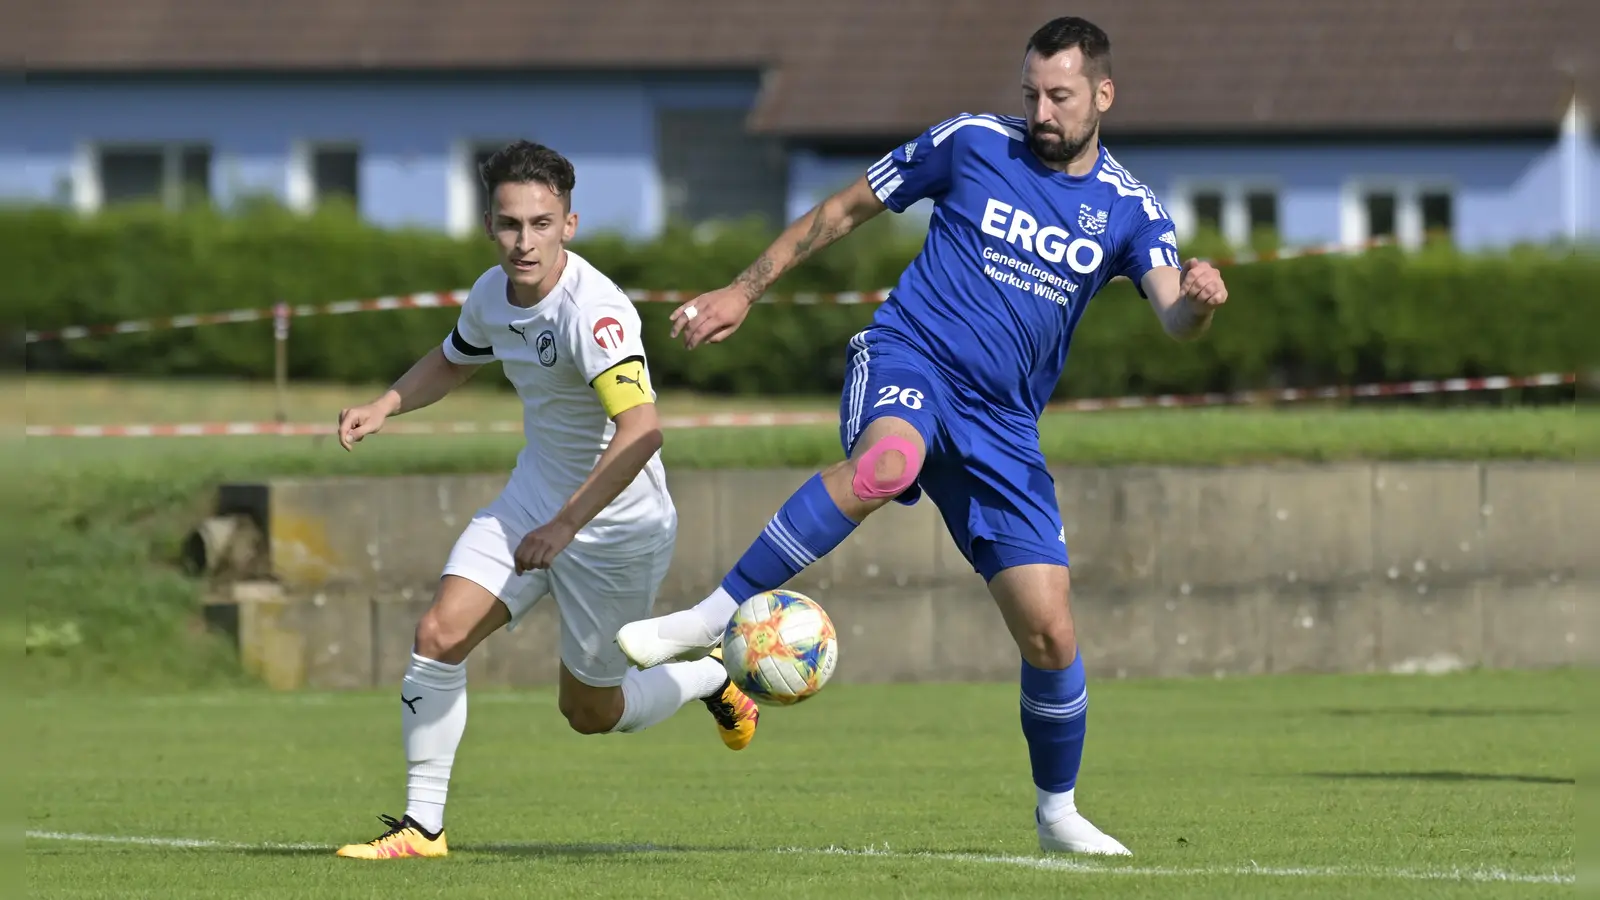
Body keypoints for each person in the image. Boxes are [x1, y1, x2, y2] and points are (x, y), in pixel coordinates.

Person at [615, 17, 1228, 856]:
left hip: (1004, 426)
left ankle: (1057, 813)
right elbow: (846, 208)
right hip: (912, 357)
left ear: (1103, 96)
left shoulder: (1130, 209)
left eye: (1060, 96)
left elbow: (1173, 316)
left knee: (1049, 630)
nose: (1041, 111)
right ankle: (708, 617)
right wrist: (743, 290)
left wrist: (1196, 298)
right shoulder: (972, 142)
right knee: (886, 461)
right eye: (1032, 94)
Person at [332, 140, 760, 860]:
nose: (523, 241)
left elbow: (642, 433)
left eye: (540, 223)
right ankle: (422, 827)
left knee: (589, 713)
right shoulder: (491, 293)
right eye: (508, 224)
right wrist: (386, 404)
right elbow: (455, 357)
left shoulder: (595, 314)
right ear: (490, 225)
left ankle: (710, 673)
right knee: (438, 635)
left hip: (617, 528)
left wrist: (567, 525)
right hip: (534, 499)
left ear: (570, 223)